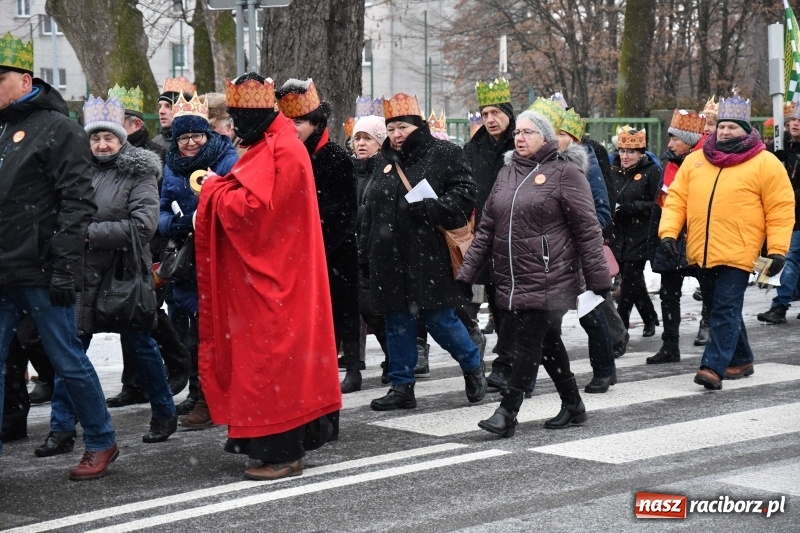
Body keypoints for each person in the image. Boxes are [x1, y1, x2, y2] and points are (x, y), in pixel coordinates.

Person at [196, 73, 341, 480]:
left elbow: (254, 211)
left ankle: (283, 451)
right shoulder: (273, 144)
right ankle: (273, 445)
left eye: (241, 117)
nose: (237, 127)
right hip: (273, 275)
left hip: (277, 278)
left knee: (272, 361)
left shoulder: (284, 150)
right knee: (270, 361)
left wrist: (212, 191)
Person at [0, 32, 118, 480]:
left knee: (67, 359)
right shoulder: (3, 128)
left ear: (25, 78)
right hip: (3, 267)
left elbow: (78, 203)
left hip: (43, 269)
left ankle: (103, 441)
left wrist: (64, 267)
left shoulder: (58, 129)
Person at [458, 108, 609, 437]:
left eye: (528, 132)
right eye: (518, 133)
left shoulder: (565, 173)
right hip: (513, 276)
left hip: (550, 274)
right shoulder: (506, 173)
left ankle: (508, 412)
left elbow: (586, 229)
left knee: (526, 342)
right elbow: (486, 230)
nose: (520, 137)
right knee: (548, 342)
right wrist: (466, 274)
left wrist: (599, 279)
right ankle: (573, 404)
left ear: (546, 138)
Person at [42, 96, 177, 451]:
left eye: (109, 138)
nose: (102, 145)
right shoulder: (74, 171)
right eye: (95, 138)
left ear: (122, 140)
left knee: (141, 347)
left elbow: (143, 226)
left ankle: (164, 411)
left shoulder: (140, 172)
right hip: (80, 278)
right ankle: (61, 428)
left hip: (124, 274)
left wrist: (87, 233)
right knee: (70, 353)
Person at [360, 93, 487, 411]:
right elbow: (370, 211)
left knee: (439, 319)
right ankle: (402, 387)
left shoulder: (444, 153)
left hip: (426, 256)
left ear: (418, 125)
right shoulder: (383, 161)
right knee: (397, 322)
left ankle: (472, 365)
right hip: (387, 258)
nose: (396, 134)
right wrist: (365, 253)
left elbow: (466, 192)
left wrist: (435, 208)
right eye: (391, 129)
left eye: (402, 126)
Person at [659, 91, 794, 390]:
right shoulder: (696, 161)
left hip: (741, 251)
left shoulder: (766, 163)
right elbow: (676, 200)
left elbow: (780, 210)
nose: (724, 131)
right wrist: (668, 234)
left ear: (746, 130)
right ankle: (742, 358)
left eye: (732, 127)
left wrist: (777, 250)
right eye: (721, 126)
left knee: (724, 308)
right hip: (702, 250)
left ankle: (713, 366)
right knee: (719, 306)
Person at [105, 84, 190, 405]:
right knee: (134, 315)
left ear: (134, 125)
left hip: (150, 248)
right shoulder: (115, 156)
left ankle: (176, 362)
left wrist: (158, 250)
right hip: (124, 250)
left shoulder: (155, 156)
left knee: (145, 313)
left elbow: (155, 208)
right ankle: (136, 382)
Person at [159, 92, 239, 427]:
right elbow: (160, 211)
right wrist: (179, 224)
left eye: (196, 135)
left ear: (207, 134)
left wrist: (203, 219)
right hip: (185, 259)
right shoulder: (172, 164)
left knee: (214, 331)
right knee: (189, 333)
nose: (190, 143)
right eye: (183, 137)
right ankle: (197, 392)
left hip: (217, 257)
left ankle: (214, 398)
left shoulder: (226, 158)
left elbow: (235, 203)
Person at [276, 79, 360, 398]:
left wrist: (317, 238)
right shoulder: (285, 155)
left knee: (342, 309)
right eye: (287, 121)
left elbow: (346, 211)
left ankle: (352, 365)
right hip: (297, 249)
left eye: (298, 121)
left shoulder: (335, 157)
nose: (292, 127)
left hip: (333, 248)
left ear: (315, 122)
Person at [646, 110, 706, 364]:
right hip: (671, 240)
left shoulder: (707, 164)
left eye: (675, 139)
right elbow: (660, 206)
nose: (669, 144)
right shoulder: (669, 165)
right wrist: (655, 242)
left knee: (712, 294)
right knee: (668, 296)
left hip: (698, 239)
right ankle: (670, 345)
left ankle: (727, 346)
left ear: (690, 141)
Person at [464, 78, 516, 348]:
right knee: (491, 295)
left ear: (508, 113)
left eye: (496, 112)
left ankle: (512, 355)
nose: (490, 119)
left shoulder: (521, 143)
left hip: (516, 234)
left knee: (512, 299)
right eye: (485, 114)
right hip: (484, 233)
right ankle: (505, 352)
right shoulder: (474, 148)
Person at [610, 127, 661, 337]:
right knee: (634, 281)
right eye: (622, 151)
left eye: (631, 152)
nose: (625, 156)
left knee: (629, 280)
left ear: (641, 153)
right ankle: (649, 317)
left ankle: (620, 328)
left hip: (640, 235)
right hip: (618, 234)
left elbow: (658, 205)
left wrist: (634, 207)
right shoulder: (612, 170)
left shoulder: (652, 172)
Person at [351, 113, 388, 392]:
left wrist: (361, 214)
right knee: (354, 312)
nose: (361, 144)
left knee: (376, 311)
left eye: (368, 139)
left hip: (377, 252)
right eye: (358, 138)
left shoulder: (385, 169)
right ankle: (353, 367)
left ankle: (395, 358)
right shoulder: (349, 170)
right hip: (350, 251)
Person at [757, 103, 800, 325]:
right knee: (790, 257)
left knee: (790, 258)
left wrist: (790, 191)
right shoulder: (783, 146)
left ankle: (780, 306)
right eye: (793, 119)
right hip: (786, 213)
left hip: (796, 213)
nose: (795, 123)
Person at [151, 76, 196, 149]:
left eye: (168, 106)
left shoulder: (196, 142)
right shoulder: (154, 144)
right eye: (160, 106)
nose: (161, 111)